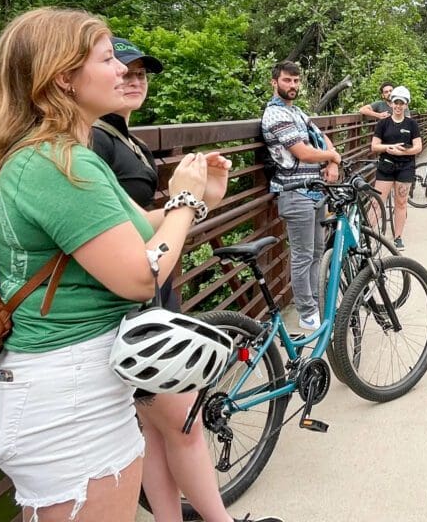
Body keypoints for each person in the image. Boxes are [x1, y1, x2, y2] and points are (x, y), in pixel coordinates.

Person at [0, 7, 229, 522]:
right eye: (109, 60)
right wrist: (185, 204)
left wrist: (201, 199)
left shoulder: (59, 152)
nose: (122, 72)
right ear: (64, 77)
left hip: (75, 385)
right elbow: (138, 276)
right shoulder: (58, 163)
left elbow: (139, 231)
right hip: (68, 394)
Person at [93, 39, 281, 522]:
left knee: (158, 431)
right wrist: (182, 201)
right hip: (134, 299)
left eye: (141, 72)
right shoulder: (94, 141)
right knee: (185, 425)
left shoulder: (120, 137)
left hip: (149, 297)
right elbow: (125, 236)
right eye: (119, 67)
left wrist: (201, 198)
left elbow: (138, 221)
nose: (132, 77)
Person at [262, 61, 341, 334]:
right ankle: (307, 313)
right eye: (287, 81)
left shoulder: (297, 112)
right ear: (274, 82)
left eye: (296, 81)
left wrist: (333, 161)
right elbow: (304, 153)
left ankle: (314, 303)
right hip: (294, 193)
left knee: (317, 250)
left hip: (315, 190)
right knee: (303, 254)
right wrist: (331, 157)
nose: (292, 86)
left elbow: (323, 139)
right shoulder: (274, 115)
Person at [371, 85, 422, 251]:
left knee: (401, 202)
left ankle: (398, 236)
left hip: (405, 167)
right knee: (377, 202)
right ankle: (368, 234)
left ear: (406, 105)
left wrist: (402, 152)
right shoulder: (383, 123)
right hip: (386, 166)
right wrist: (388, 148)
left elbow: (418, 147)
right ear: (391, 104)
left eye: (402, 103)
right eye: (396, 103)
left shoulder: (412, 124)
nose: (399, 106)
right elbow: (374, 146)